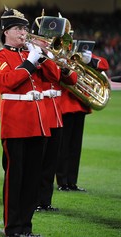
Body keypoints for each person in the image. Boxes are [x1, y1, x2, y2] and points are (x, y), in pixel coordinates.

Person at [0, 7, 60, 237]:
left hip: (37, 123)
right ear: (6, 31)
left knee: (31, 179)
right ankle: (12, 228)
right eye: (18, 28)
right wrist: (29, 62)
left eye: (24, 28)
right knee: (15, 179)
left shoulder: (32, 53)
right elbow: (8, 81)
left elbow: (55, 77)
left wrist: (43, 56)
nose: (23, 33)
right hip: (15, 125)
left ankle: (26, 227)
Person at [28, 15, 77, 212]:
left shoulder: (55, 55)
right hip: (39, 110)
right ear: (35, 38)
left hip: (55, 111)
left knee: (50, 162)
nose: (49, 41)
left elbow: (72, 79)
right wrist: (45, 56)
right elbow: (52, 74)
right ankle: (31, 200)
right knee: (36, 161)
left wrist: (62, 63)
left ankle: (45, 201)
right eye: (45, 38)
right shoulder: (30, 54)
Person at [56, 39, 110, 192]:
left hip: (80, 104)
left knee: (75, 147)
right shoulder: (60, 54)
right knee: (64, 146)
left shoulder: (78, 53)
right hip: (65, 104)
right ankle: (62, 181)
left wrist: (89, 60)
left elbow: (104, 64)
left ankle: (72, 182)